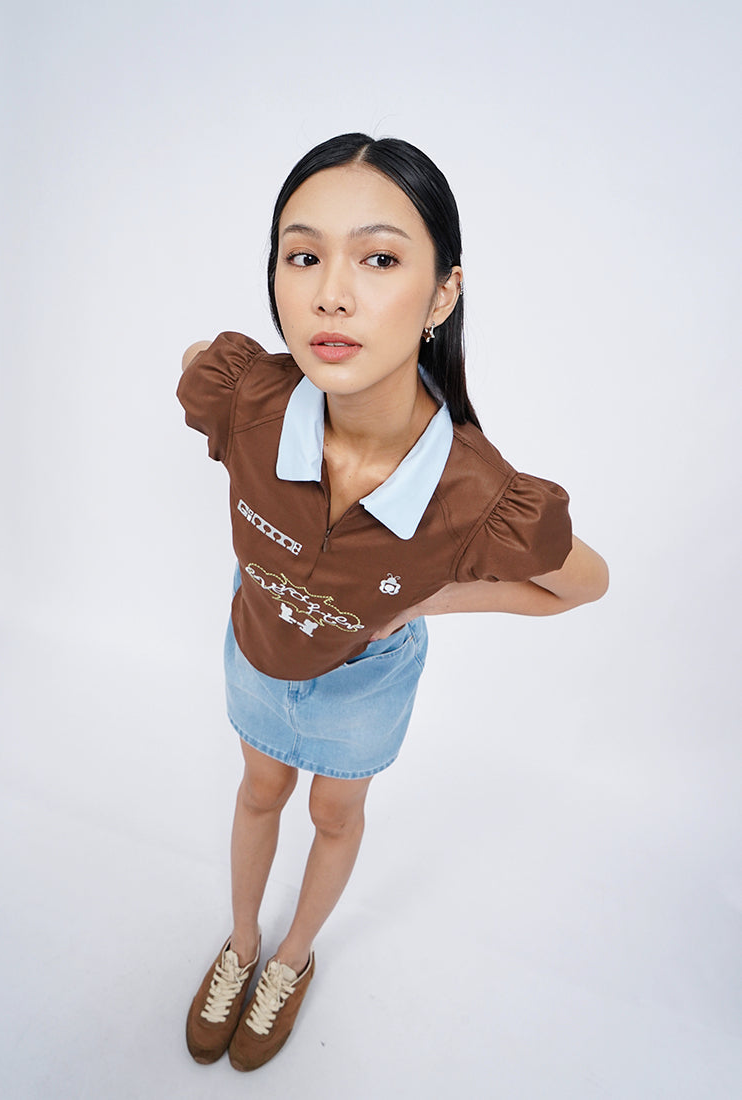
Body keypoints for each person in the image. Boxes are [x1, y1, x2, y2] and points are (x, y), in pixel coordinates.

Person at [177, 132, 608, 1073]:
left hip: (363, 682)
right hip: (258, 646)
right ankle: (241, 943)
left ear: (443, 294)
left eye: (378, 259)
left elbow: (585, 585)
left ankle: (290, 959)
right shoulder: (246, 398)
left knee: (335, 814)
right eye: (303, 257)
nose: (331, 294)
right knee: (259, 789)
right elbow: (196, 356)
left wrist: (431, 599)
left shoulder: (476, 493)